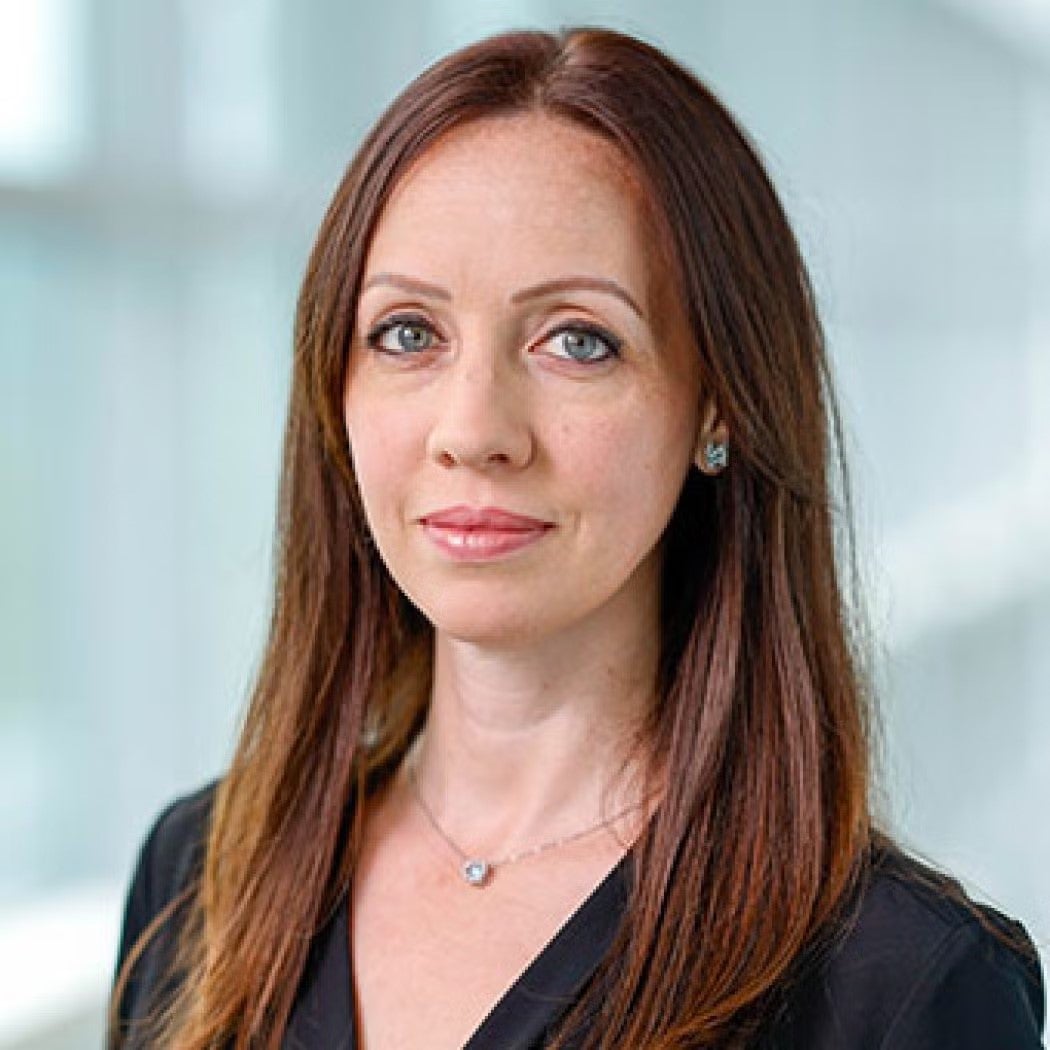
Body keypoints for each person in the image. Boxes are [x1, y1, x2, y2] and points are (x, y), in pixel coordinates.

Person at [109, 25, 1045, 1050]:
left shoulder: (902, 988)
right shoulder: (202, 876)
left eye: (578, 341)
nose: (474, 431)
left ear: (717, 405)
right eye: (408, 333)